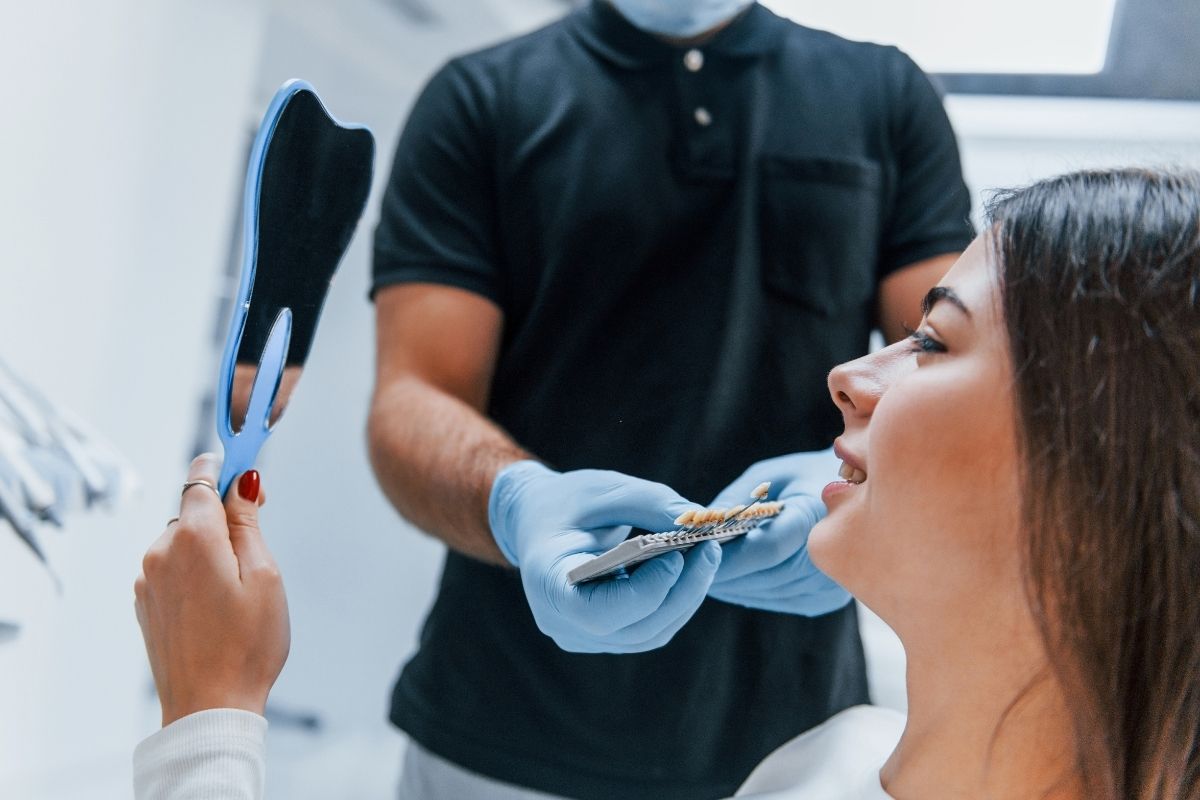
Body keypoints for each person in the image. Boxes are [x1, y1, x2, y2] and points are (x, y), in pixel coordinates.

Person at [131, 168, 1200, 799]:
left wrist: (209, 720)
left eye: (929, 339)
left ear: (1098, 463)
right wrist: (515, 495)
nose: (848, 374)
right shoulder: (829, 762)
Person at [364, 0, 972, 796]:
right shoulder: (483, 99)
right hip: (504, 732)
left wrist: (865, 497)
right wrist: (518, 502)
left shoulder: (885, 96)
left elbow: (955, 364)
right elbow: (412, 394)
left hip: (796, 739)